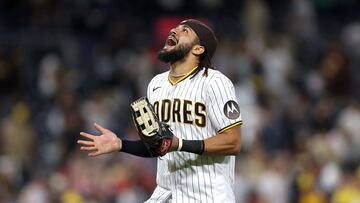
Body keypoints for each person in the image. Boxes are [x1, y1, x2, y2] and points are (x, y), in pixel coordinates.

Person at [77, 19, 243, 202]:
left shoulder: (215, 82)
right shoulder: (156, 84)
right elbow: (159, 145)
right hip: (166, 192)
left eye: (185, 31)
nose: (174, 30)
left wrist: (178, 143)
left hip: (207, 193)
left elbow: (232, 142)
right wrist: (121, 144)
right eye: (175, 27)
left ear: (198, 49)